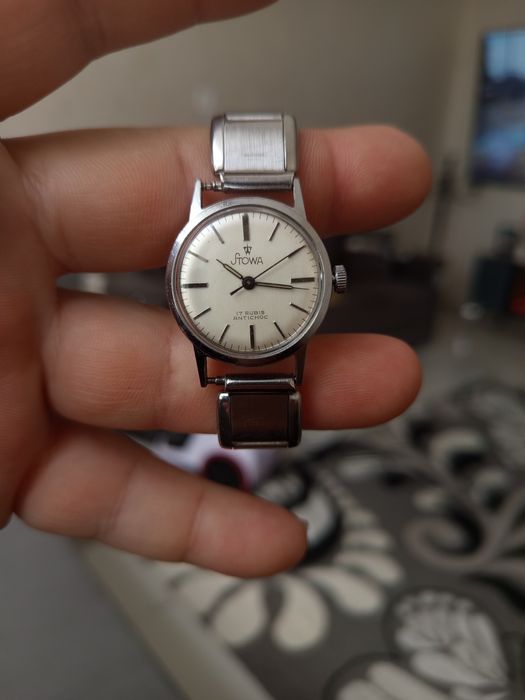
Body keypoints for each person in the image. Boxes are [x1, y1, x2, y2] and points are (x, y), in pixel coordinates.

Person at [0, 0, 431, 578]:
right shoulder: (209, 227)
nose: (249, 279)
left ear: (331, 280)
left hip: (260, 337)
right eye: (244, 278)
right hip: (230, 340)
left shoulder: (258, 240)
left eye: (254, 277)